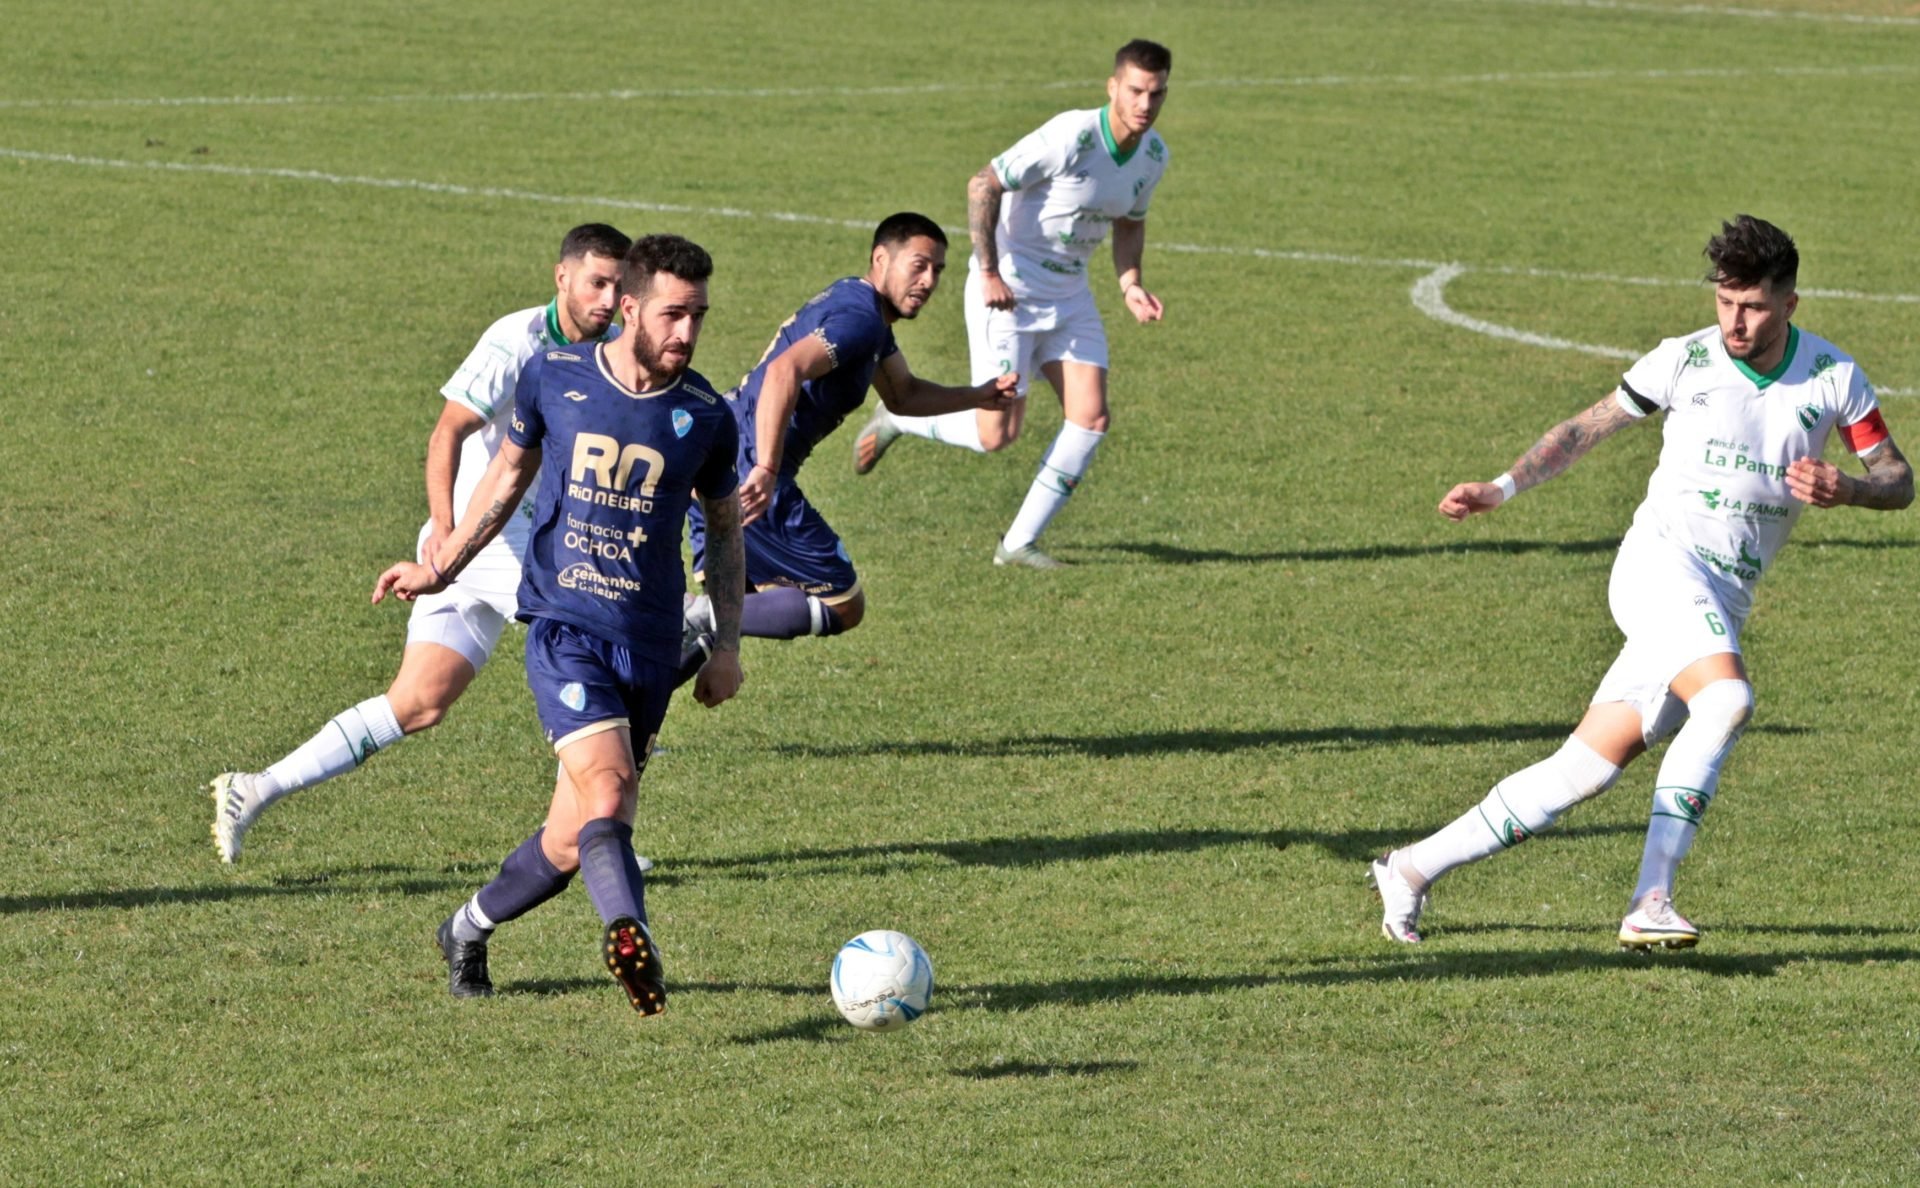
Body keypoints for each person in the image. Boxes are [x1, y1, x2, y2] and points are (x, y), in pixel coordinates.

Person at [1371, 215, 1912, 950]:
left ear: (1790, 303)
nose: (1736, 322)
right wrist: (1502, 487)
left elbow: (1897, 479)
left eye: (1752, 306)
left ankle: (1409, 868)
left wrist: (1847, 488)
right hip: (1658, 570)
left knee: (1583, 770)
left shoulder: (1833, 377)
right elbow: (1586, 428)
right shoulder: (1683, 360)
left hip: (1720, 599)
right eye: (1725, 302)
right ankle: (1651, 899)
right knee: (1725, 700)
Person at [374, 233, 744, 1014]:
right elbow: (507, 474)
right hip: (565, 630)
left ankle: (466, 928)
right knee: (608, 793)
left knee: (572, 841)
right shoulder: (556, 376)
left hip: (647, 644)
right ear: (630, 308)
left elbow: (725, 532)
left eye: (699, 318)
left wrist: (728, 647)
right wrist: (440, 565)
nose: (687, 333)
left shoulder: (705, 416)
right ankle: (631, 936)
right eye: (674, 315)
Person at [209, 224, 632, 864]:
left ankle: (255, 787)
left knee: (419, 703)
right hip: (486, 542)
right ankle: (594, 834)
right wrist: (442, 527)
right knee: (597, 645)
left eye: (619, 286)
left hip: (523, 539)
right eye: (597, 282)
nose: (608, 299)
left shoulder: (613, 351)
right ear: (562, 277)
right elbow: (447, 433)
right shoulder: (515, 342)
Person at [852, 39, 1172, 569]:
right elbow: (984, 184)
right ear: (1113, 87)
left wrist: (1130, 282)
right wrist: (991, 271)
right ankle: (899, 418)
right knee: (997, 433)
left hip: (1070, 297)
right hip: (1009, 296)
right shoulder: (1072, 135)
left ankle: (1017, 545)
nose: (1145, 104)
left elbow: (1130, 222)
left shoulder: (1154, 156)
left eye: (1156, 93)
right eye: (1136, 90)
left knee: (1091, 418)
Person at [681, 212, 1018, 641]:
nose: (929, 281)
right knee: (841, 604)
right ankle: (682, 616)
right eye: (918, 265)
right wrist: (766, 468)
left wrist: (978, 396)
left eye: (937, 270)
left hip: (720, 452)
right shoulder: (861, 321)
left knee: (725, 618)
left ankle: (668, 645)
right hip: (750, 470)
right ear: (881, 259)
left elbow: (903, 394)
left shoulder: (864, 311)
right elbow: (786, 370)